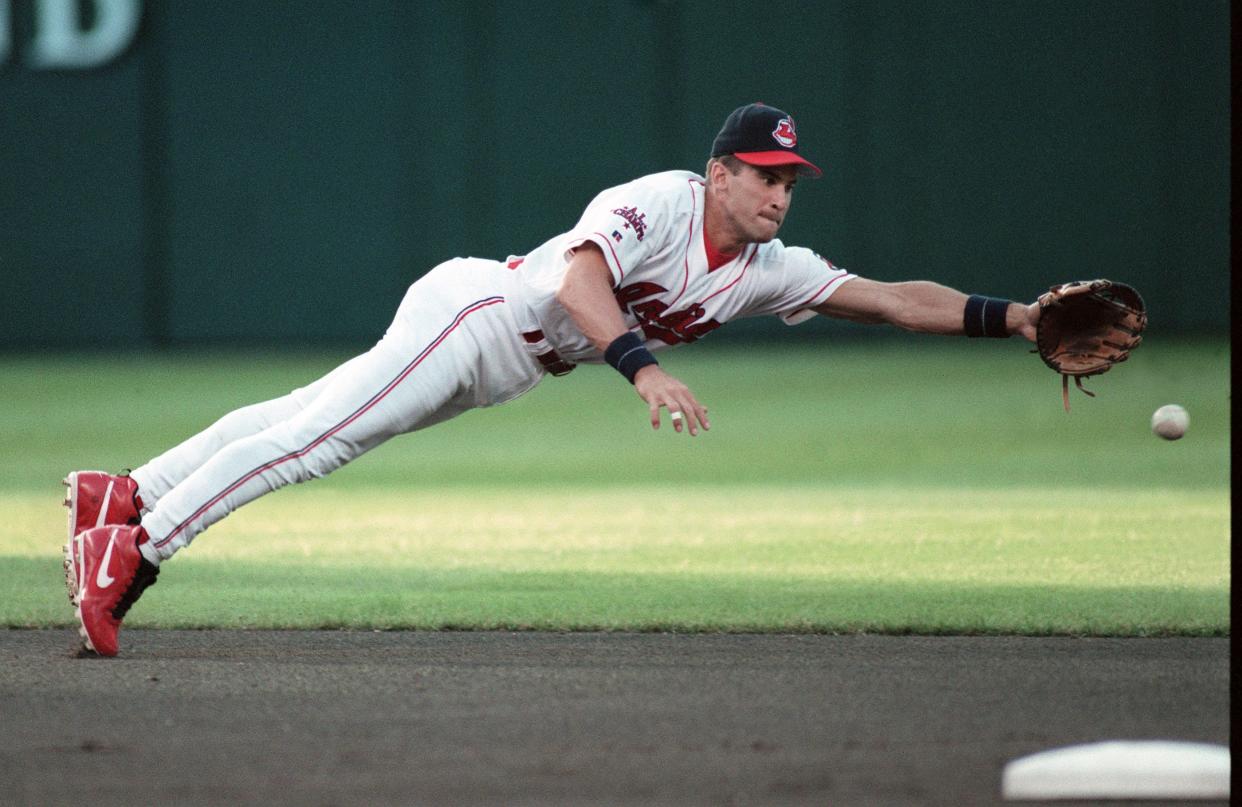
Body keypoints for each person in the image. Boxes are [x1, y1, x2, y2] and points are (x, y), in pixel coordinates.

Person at [63, 103, 1040, 656]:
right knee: (322, 440)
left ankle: (129, 492)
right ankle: (132, 554)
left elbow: (897, 301)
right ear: (718, 174)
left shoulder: (771, 272)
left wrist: (1020, 320)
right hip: (483, 312)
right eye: (762, 174)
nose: (779, 192)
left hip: (507, 363)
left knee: (307, 413)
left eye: (789, 180)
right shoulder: (658, 202)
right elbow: (580, 279)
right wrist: (643, 369)